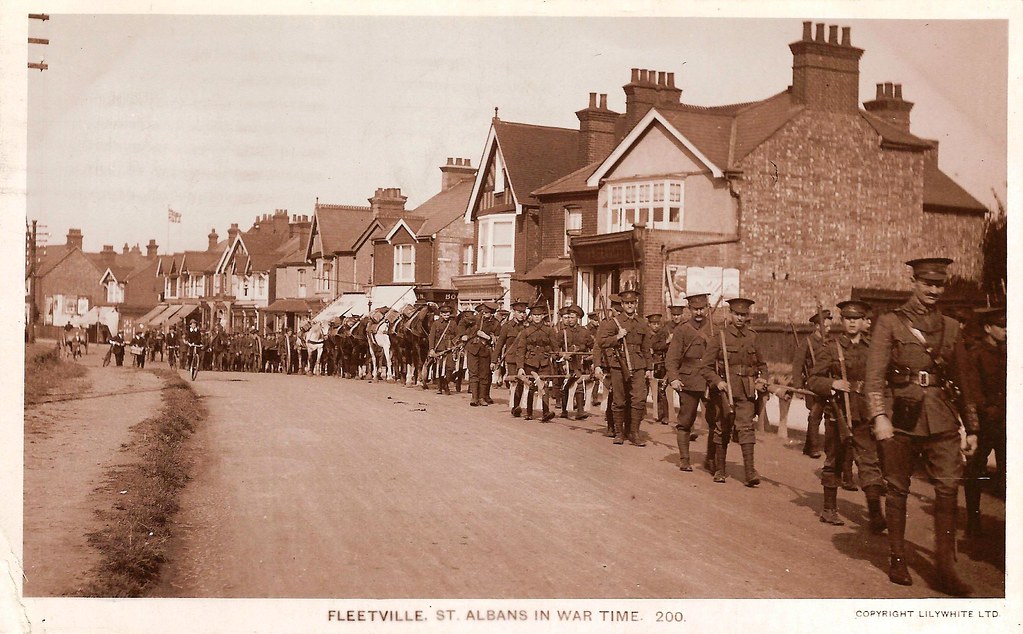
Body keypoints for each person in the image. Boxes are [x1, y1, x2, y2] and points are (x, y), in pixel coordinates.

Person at [865, 257, 981, 595]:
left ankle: (945, 569)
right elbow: (874, 377)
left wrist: (971, 427)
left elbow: (964, 380)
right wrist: (879, 416)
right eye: (927, 283)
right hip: (901, 417)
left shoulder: (951, 326)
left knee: (948, 488)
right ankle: (898, 558)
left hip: (942, 417)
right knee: (898, 487)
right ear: (913, 282)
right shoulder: (890, 323)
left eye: (939, 284)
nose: (933, 290)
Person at [807, 300, 886, 531]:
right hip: (838, 412)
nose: (852, 322)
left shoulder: (872, 349)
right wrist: (833, 383)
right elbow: (813, 379)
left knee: (869, 460)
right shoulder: (831, 348)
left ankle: (875, 514)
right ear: (842, 321)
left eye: (857, 318)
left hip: (863, 411)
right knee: (834, 459)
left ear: (864, 322)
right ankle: (829, 509)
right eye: (848, 318)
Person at [700, 297, 768, 485]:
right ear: (730, 314)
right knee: (723, 428)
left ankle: (749, 472)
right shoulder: (719, 337)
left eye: (743, 315)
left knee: (746, 428)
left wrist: (763, 379)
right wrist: (718, 381)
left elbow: (763, 364)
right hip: (724, 392)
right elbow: (705, 367)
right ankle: (720, 470)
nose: (740, 318)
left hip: (746, 391)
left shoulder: (753, 337)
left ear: (748, 316)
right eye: (737, 314)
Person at [963, 306, 1006, 538]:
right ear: (988, 328)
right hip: (984, 422)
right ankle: (973, 518)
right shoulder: (977, 353)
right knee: (976, 470)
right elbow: (972, 388)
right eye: (1001, 326)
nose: (1006, 331)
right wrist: (985, 411)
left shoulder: (1009, 352)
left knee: (1008, 470)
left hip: (1006, 423)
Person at [596, 289, 653, 446]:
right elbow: (601, 342)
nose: (629, 305)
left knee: (639, 399)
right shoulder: (614, 322)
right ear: (622, 304)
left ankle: (634, 432)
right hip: (618, 365)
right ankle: (619, 433)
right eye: (626, 303)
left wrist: (649, 367)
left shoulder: (641, 323)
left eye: (632, 303)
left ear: (636, 304)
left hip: (638, 364)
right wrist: (617, 337)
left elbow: (646, 347)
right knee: (619, 400)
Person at [666, 293, 715, 472]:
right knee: (686, 420)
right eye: (695, 309)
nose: (699, 312)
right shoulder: (682, 330)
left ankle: (711, 459)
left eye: (702, 308)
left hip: (710, 381)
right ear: (690, 310)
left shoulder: (715, 329)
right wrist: (674, 378)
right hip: (688, 380)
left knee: (714, 421)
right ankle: (685, 459)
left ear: (707, 308)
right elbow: (672, 358)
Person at [792, 310, 833, 459]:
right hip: (813, 383)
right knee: (815, 413)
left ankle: (810, 446)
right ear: (816, 326)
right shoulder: (808, 342)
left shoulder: (830, 342)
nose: (828, 330)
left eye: (829, 327)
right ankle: (814, 447)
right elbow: (797, 365)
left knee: (826, 414)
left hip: (827, 383)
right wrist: (798, 386)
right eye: (825, 327)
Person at [512, 303, 559, 421]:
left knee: (544, 386)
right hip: (530, 362)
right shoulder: (526, 331)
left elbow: (555, 346)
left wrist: (556, 355)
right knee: (531, 387)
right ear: (531, 316)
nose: (537, 317)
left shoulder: (549, 331)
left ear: (543, 316)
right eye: (534, 315)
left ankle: (546, 412)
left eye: (539, 315)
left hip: (544, 362)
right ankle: (529, 412)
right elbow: (520, 350)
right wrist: (520, 366)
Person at [556, 305, 593, 420]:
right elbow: (556, 348)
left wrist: (590, 356)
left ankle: (580, 411)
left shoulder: (584, 332)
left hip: (580, 363)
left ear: (578, 318)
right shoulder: (563, 332)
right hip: (566, 364)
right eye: (569, 317)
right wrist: (562, 355)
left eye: (573, 317)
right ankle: (564, 410)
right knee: (566, 386)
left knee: (579, 385)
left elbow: (592, 346)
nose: (570, 320)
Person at [464, 301, 500, 406]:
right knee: (473, 373)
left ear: (492, 313)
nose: (484, 314)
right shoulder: (475, 319)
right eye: (483, 312)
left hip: (485, 350)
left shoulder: (496, 323)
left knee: (484, 375)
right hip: (473, 349)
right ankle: (474, 398)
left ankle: (482, 397)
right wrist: (463, 335)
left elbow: (497, 339)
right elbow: (462, 323)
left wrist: (487, 337)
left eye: (487, 313)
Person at [496, 300, 529, 416]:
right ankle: (515, 406)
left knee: (523, 382)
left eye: (523, 312)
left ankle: (519, 405)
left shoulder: (527, 326)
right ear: (514, 312)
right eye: (519, 312)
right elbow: (500, 344)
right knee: (514, 381)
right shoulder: (507, 326)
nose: (522, 315)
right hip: (512, 358)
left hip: (525, 358)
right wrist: (494, 360)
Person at [428, 303, 458, 395]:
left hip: (449, 349)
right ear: (441, 314)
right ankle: (440, 387)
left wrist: (454, 343)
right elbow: (432, 337)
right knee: (439, 369)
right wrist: (431, 349)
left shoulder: (453, 323)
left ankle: (446, 383)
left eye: (448, 314)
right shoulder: (436, 324)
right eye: (444, 314)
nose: (446, 316)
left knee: (450, 367)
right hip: (439, 349)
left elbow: (457, 335)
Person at [648, 312, 670, 424]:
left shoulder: (663, 333)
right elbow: (653, 346)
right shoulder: (647, 335)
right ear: (649, 324)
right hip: (649, 364)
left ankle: (664, 415)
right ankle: (644, 413)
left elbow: (664, 347)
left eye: (658, 323)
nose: (656, 326)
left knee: (662, 389)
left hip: (661, 364)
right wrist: (665, 343)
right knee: (646, 389)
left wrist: (665, 343)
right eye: (653, 324)